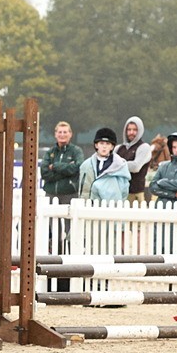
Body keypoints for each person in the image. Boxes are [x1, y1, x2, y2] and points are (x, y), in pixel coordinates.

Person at [41, 121, 84, 292]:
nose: (62, 134)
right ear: (55, 134)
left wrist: (56, 167)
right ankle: (51, 262)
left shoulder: (76, 151)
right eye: (60, 132)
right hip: (51, 196)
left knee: (68, 232)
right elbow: (45, 172)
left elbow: (77, 168)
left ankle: (69, 264)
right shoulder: (50, 152)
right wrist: (63, 170)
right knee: (50, 233)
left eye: (65, 132)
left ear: (70, 134)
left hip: (69, 195)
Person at [77, 127, 130, 202]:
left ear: (112, 147)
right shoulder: (86, 165)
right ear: (96, 145)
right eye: (101, 143)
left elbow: (124, 189)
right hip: (90, 206)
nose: (104, 146)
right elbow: (84, 189)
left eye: (108, 144)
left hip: (113, 207)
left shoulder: (120, 165)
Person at [115, 116, 152, 204]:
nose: (131, 132)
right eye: (129, 129)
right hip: (118, 193)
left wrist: (117, 164)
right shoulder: (118, 148)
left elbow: (135, 167)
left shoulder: (144, 147)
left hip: (135, 194)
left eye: (135, 130)